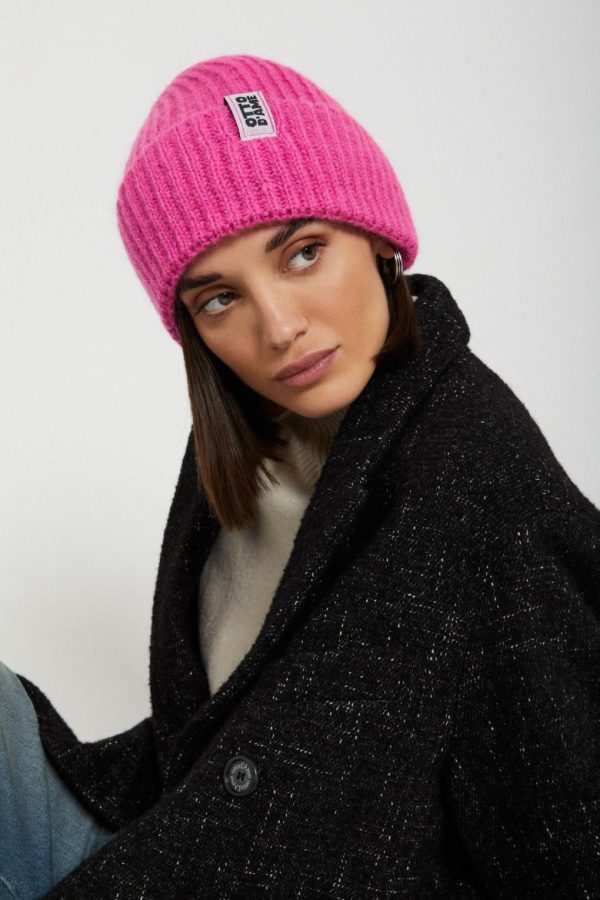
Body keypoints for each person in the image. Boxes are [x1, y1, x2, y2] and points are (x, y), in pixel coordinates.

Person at [1, 52, 599, 899]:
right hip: (177, 848)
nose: (278, 327)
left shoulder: (475, 474)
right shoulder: (245, 437)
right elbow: (225, 738)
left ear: (377, 235)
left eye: (304, 253)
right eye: (220, 298)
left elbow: (566, 830)